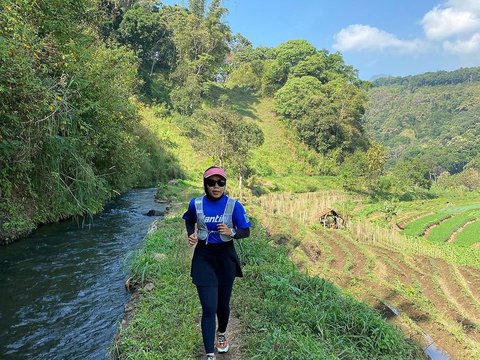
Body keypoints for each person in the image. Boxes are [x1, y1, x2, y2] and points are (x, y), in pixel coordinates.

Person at [183, 166, 251, 360]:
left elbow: (246, 231)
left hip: (225, 258)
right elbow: (189, 220)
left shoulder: (234, 205)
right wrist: (191, 234)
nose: (216, 186)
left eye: (220, 182)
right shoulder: (195, 204)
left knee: (222, 305)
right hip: (204, 257)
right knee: (209, 307)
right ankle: (210, 354)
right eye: (211, 183)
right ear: (205, 184)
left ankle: (221, 334)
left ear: (225, 184)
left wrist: (232, 232)